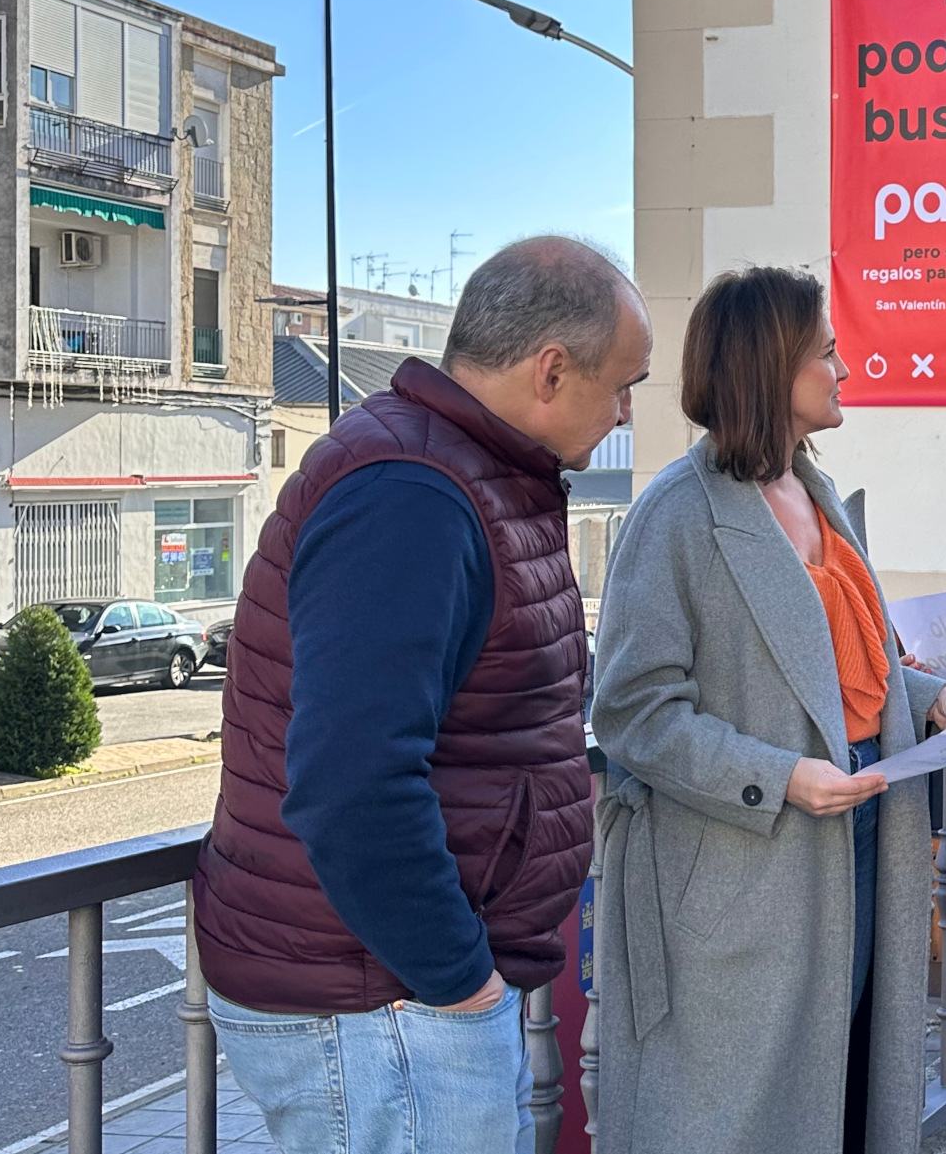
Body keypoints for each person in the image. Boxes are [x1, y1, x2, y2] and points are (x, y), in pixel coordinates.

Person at [191, 237, 652, 1153]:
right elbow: (350, 782)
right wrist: (460, 982)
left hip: (394, 994)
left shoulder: (456, 470)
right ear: (551, 370)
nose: (627, 411)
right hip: (384, 1002)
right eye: (623, 385)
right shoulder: (411, 492)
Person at [589, 267, 946, 1154]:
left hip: (861, 833)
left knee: (841, 1087)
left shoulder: (818, 493)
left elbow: (848, 666)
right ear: (770, 367)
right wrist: (779, 778)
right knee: (736, 1120)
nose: (844, 369)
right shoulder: (674, 514)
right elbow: (632, 711)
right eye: (826, 353)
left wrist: (934, 698)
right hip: (744, 872)